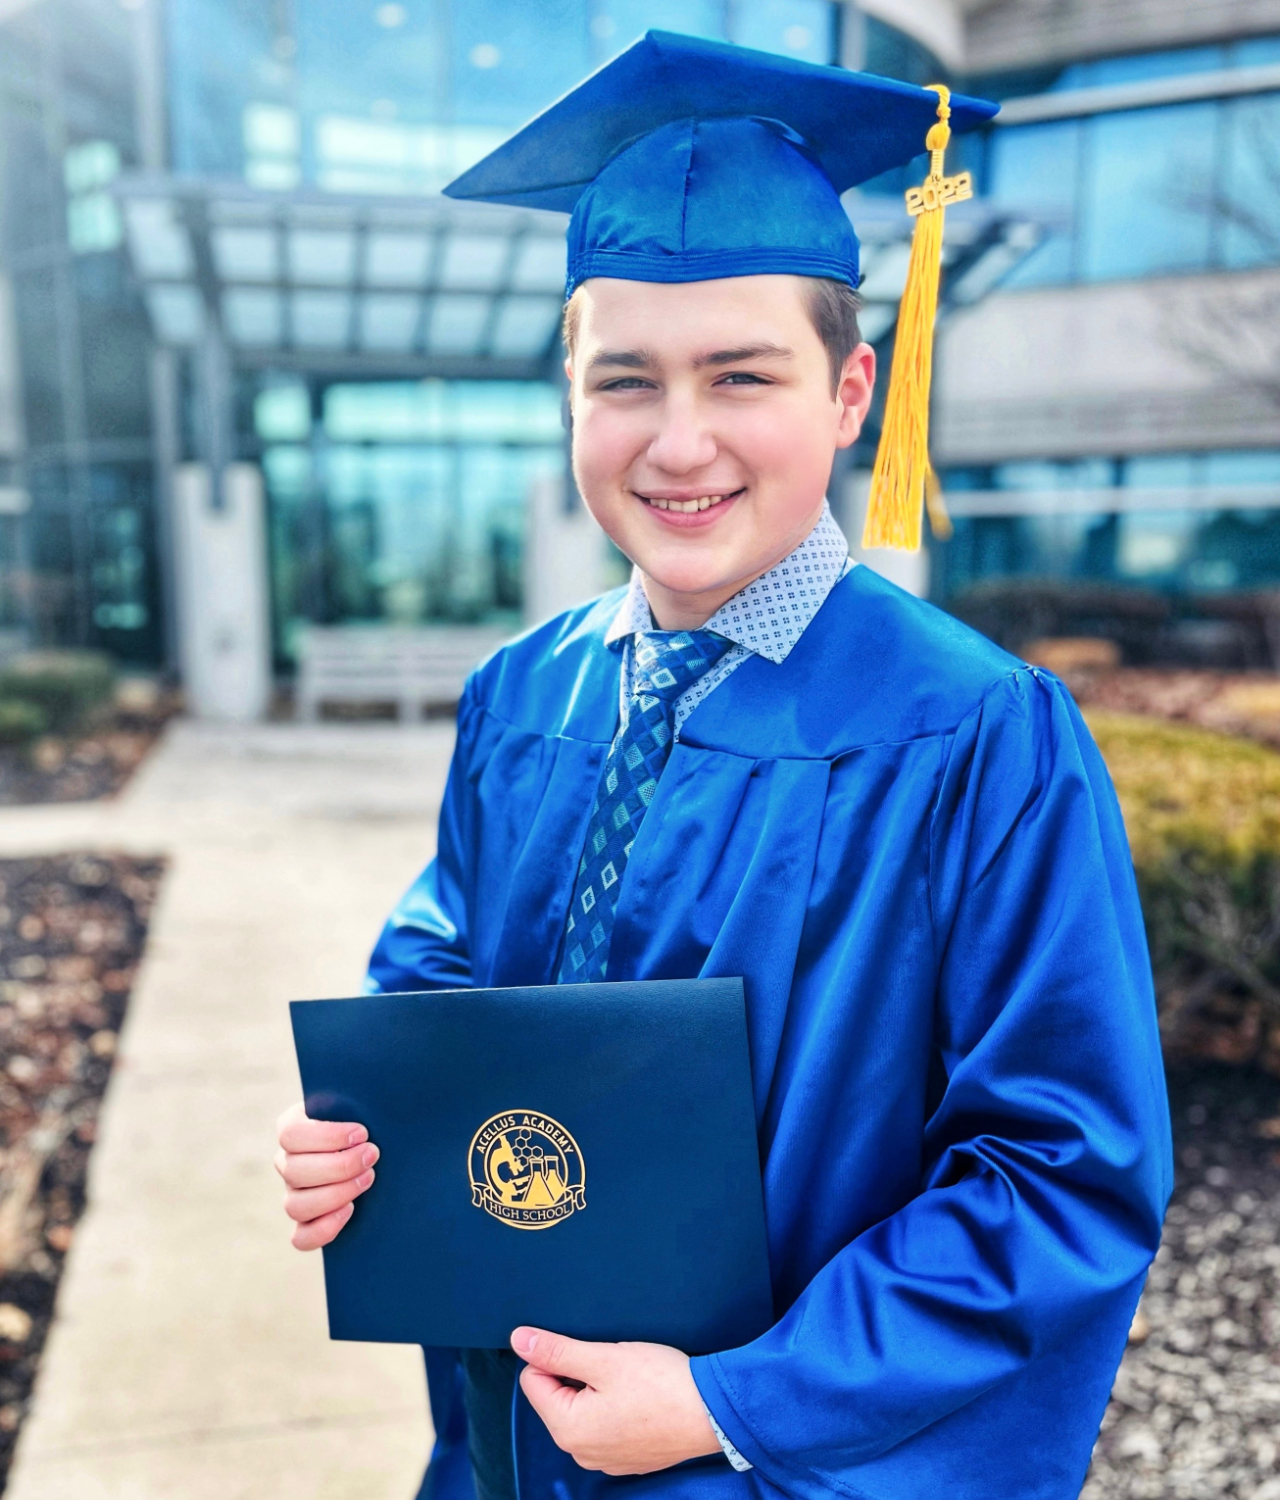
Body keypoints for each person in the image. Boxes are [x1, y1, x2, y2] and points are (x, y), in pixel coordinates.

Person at [275, 32, 1172, 1500]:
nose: (679, 442)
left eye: (741, 375)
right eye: (625, 380)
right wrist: (369, 1133)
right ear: (569, 394)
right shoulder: (523, 694)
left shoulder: (978, 735)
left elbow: (1059, 1175)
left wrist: (735, 1403)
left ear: (851, 392)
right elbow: (442, 968)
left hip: (772, 1459)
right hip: (517, 1437)